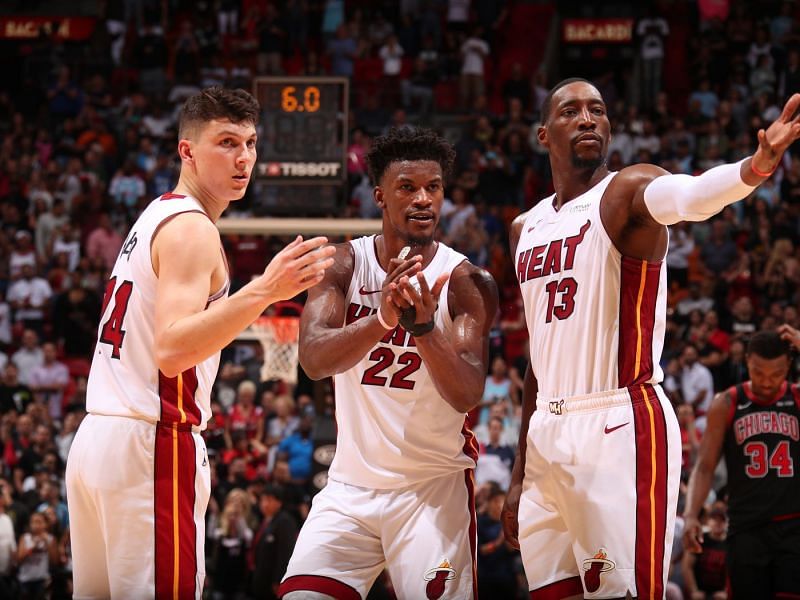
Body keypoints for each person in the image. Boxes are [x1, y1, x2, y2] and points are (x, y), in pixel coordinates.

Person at [502, 78, 800, 598]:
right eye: (571, 111)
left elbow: (692, 197)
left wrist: (754, 169)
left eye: (598, 109)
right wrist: (519, 473)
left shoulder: (627, 190)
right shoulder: (523, 227)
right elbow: (537, 358)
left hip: (619, 421)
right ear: (544, 135)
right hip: (545, 433)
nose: (589, 118)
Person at [64, 86, 335, 599]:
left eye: (251, 143)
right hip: (152, 443)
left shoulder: (157, 215)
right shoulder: (192, 229)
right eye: (227, 143)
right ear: (187, 150)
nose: (244, 158)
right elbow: (171, 350)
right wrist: (266, 290)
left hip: (101, 440)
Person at [279, 127, 498, 599]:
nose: (423, 199)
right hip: (349, 488)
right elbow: (314, 360)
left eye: (433, 188)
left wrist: (422, 329)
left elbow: (465, 393)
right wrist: (382, 318)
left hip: (431, 490)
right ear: (379, 195)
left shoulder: (465, 282)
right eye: (407, 187)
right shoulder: (343, 265)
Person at [683, 330, 800, 598]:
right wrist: (691, 515)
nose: (767, 382)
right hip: (746, 528)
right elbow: (704, 466)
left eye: (777, 373)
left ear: (789, 367)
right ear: (747, 361)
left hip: (794, 526)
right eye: (759, 372)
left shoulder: (796, 397)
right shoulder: (726, 402)